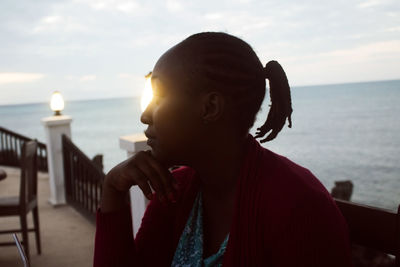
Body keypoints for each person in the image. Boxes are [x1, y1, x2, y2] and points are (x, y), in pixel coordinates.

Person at [93, 32, 353, 267]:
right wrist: (113, 189)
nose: (145, 115)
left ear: (210, 107)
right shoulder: (176, 190)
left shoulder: (298, 206)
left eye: (158, 97)